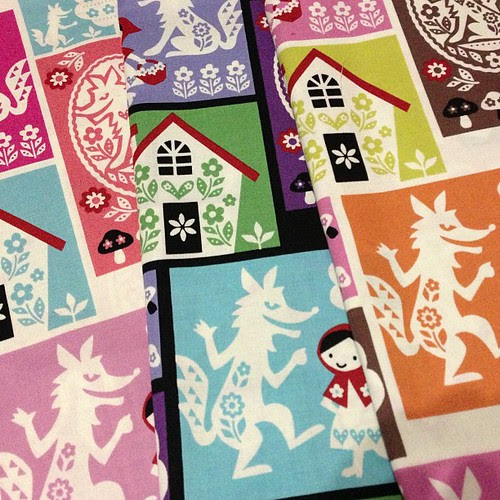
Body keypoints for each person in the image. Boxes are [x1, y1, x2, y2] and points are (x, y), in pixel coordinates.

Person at [317, 324, 387, 478]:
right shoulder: (340, 380)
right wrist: (340, 412)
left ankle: (394, 458)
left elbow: (379, 392)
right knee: (357, 444)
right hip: (350, 415)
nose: (341, 362)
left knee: (376, 441)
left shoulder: (368, 375)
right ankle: (357, 468)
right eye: (331, 356)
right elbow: (325, 402)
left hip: (367, 412)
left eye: (354, 357)